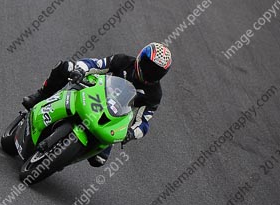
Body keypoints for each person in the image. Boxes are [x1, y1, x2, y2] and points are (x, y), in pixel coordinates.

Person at [22, 43, 172, 166]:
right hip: (95, 94)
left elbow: (143, 122)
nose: (150, 73)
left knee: (98, 161)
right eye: (148, 66)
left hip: (111, 120)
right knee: (65, 67)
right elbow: (96, 64)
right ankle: (41, 95)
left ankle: (63, 158)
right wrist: (81, 70)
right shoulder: (123, 61)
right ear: (141, 58)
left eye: (156, 72)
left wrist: (131, 133)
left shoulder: (154, 95)